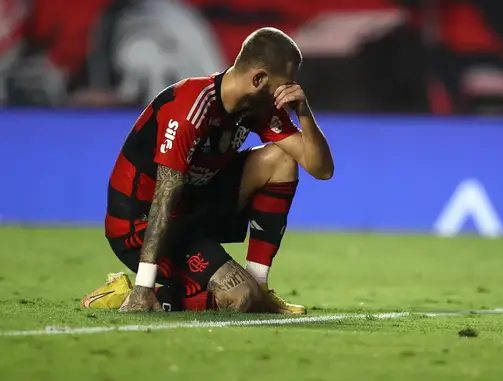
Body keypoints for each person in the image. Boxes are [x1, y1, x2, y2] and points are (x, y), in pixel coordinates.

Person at [81, 27, 334, 313]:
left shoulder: (257, 105)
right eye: (285, 84)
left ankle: (259, 287)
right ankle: (125, 292)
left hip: (190, 208)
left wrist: (303, 111)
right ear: (259, 79)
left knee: (281, 159)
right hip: (138, 223)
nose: (289, 92)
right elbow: (164, 197)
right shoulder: (190, 107)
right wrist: (144, 285)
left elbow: (321, 169)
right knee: (240, 298)